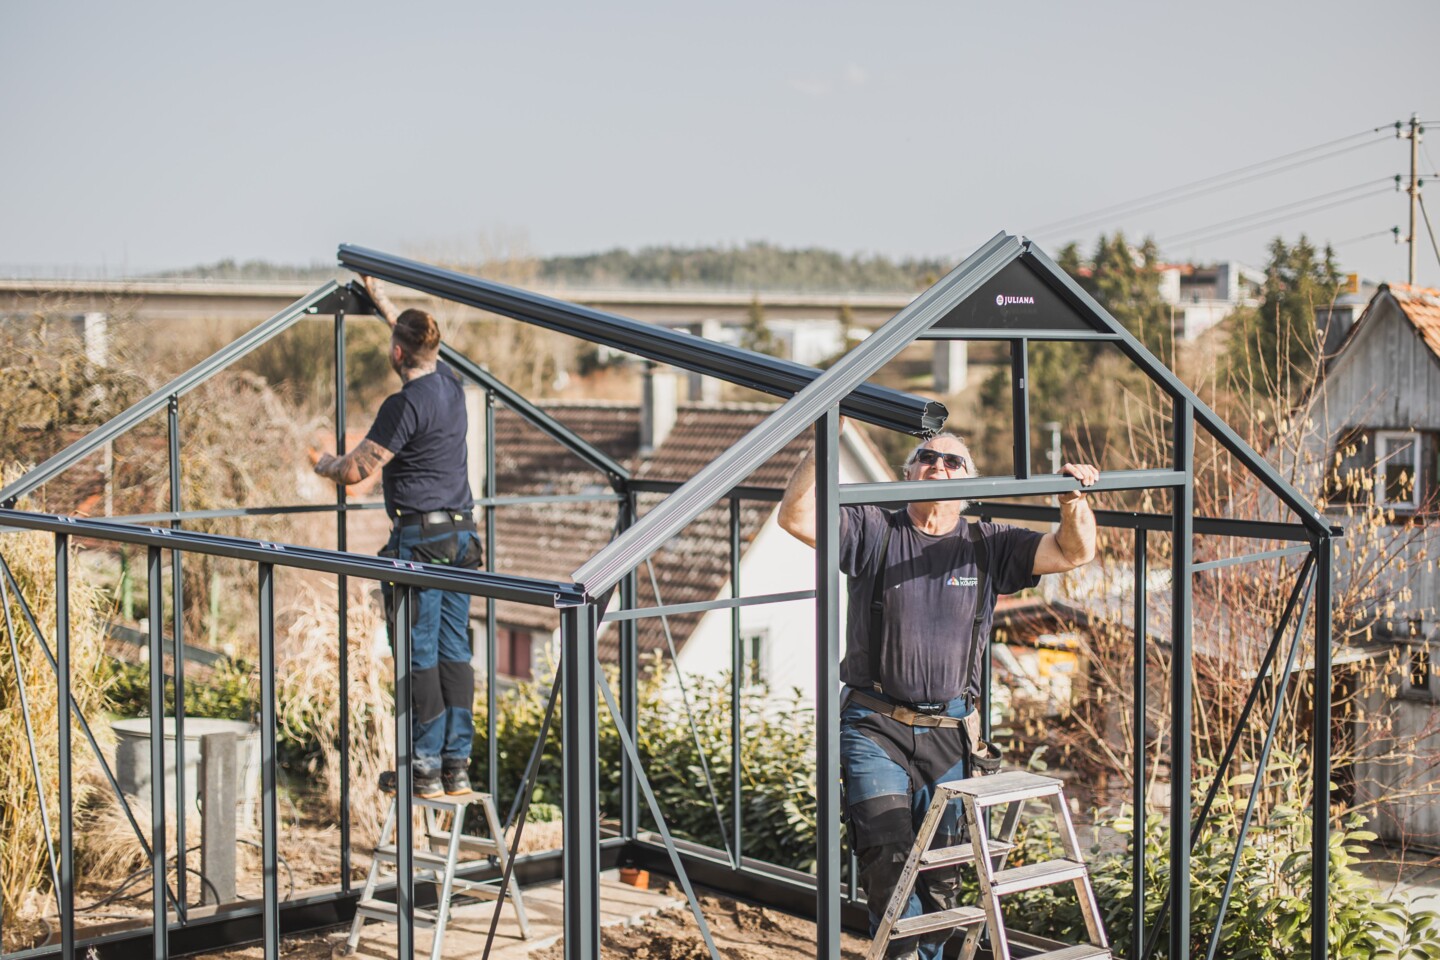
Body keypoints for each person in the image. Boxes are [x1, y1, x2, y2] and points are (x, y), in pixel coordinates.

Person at [777, 427, 1098, 960]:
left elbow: (1073, 552)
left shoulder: (989, 542)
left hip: (951, 733)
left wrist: (1072, 500)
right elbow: (796, 517)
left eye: (954, 461)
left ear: (970, 484)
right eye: (927, 458)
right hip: (875, 726)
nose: (939, 467)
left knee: (944, 870)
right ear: (908, 473)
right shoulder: (874, 528)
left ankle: (928, 953)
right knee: (886, 853)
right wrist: (823, 434)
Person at [313, 276, 482, 799]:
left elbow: (356, 470)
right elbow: (419, 342)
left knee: (419, 652)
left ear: (395, 351)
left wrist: (319, 461)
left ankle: (423, 767)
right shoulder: (450, 386)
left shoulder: (403, 404)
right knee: (456, 650)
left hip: (421, 542)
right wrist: (384, 302)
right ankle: (456, 764)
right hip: (462, 537)